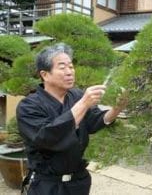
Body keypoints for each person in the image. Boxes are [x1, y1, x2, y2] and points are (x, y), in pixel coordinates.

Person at [16, 43, 128, 195]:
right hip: (47, 185)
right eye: (62, 67)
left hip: (79, 181)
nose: (69, 72)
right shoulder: (28, 106)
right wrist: (84, 103)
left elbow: (95, 121)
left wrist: (117, 108)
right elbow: (46, 137)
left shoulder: (76, 95)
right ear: (45, 74)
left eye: (71, 66)